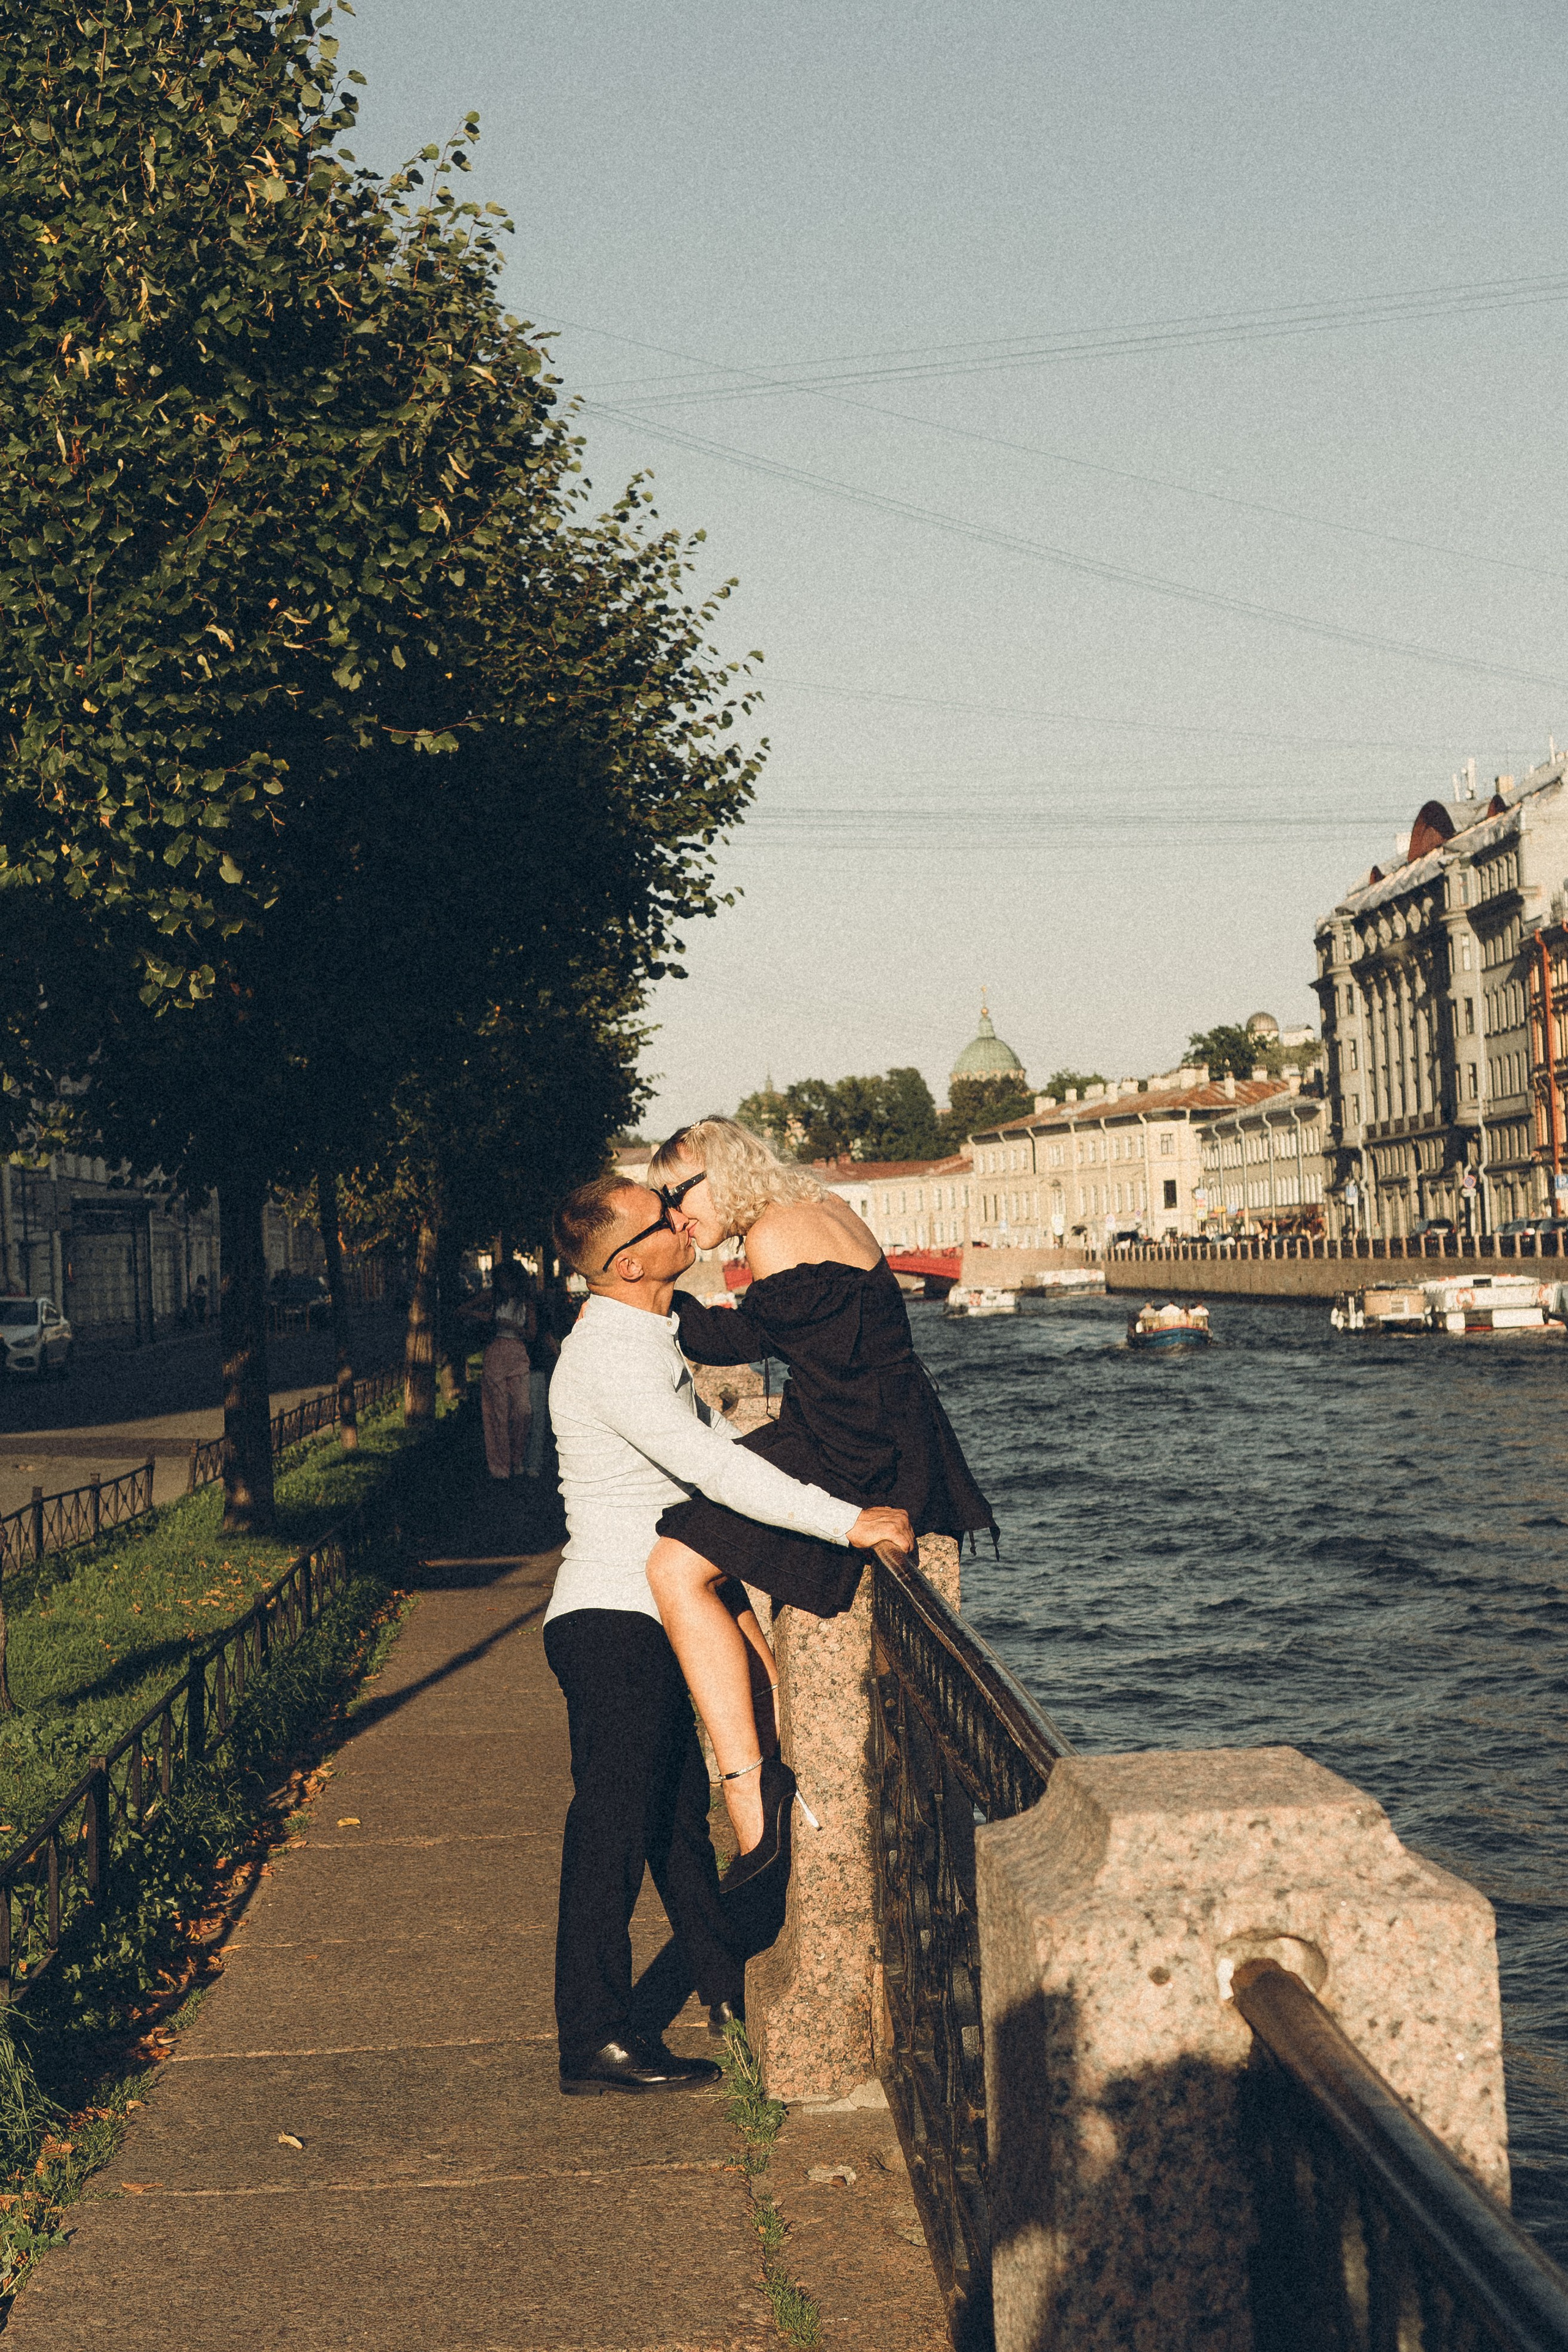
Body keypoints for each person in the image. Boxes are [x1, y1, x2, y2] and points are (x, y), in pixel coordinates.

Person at [544, 1172, 913, 2097]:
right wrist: (849, 1521)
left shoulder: (645, 1334)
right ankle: (590, 2038)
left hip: (640, 1614)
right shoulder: (612, 1358)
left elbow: (728, 1458)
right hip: (611, 1621)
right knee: (613, 1829)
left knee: (671, 1828)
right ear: (631, 1263)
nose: (682, 1221)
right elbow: (715, 1471)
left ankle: (726, 1993)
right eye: (662, 1219)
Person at [644, 1117, 997, 1879]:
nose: (675, 1216)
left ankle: (751, 1791)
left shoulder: (775, 1235)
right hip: (883, 1429)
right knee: (705, 1537)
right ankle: (765, 1734)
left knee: (677, 1562)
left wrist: (644, 1288)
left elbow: (736, 1347)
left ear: (718, 1174)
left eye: (676, 1196)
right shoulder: (817, 1209)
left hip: (857, 1447)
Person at [480, 1269, 532, 1481]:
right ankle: (501, 1467)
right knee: (498, 1413)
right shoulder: (493, 1298)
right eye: (501, 1280)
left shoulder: (525, 1302)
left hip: (518, 1352)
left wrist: (511, 1325)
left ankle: (516, 1459)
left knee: (523, 1411)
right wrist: (485, 1318)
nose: (504, 1284)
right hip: (496, 1352)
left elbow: (532, 1333)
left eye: (509, 1279)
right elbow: (464, 1310)